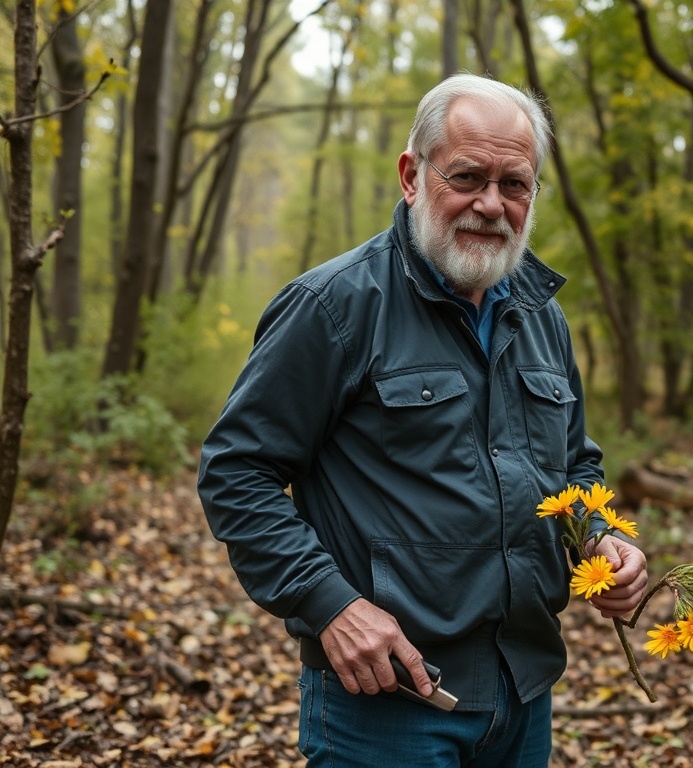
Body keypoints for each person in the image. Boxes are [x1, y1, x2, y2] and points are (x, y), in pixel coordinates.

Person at [197, 73, 648, 767]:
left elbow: (573, 467)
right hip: (387, 705)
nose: (491, 204)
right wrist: (331, 606)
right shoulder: (334, 306)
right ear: (413, 175)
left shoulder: (542, 316)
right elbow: (237, 472)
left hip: (524, 693)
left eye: (515, 184)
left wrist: (604, 542)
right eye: (467, 176)